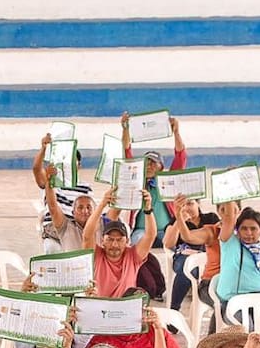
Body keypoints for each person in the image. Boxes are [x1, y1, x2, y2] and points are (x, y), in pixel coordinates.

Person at [119, 113, 187, 247]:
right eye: (146, 162)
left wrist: (176, 132)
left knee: (175, 244)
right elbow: (126, 151)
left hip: (165, 231)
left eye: (153, 163)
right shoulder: (135, 181)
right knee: (135, 246)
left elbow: (181, 156)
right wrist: (125, 129)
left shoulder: (168, 181)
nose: (149, 166)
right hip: (140, 232)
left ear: (161, 167)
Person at [214, 207, 260, 331]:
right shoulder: (230, 244)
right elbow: (229, 220)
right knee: (248, 328)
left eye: (253, 229)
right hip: (233, 303)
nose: (248, 233)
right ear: (237, 230)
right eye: (244, 229)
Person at [81, 187, 157, 297]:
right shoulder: (97, 255)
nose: (115, 244)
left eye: (120, 240)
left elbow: (150, 235)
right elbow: (87, 235)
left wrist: (148, 209)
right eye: (110, 239)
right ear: (102, 241)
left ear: (127, 241)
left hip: (125, 309)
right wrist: (102, 204)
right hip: (100, 307)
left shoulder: (133, 256)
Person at [162, 194, 221, 311]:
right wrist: (179, 221)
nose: (187, 208)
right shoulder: (175, 221)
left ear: (198, 204)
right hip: (183, 256)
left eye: (190, 203)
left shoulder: (210, 218)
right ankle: (174, 308)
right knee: (188, 268)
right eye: (183, 205)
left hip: (207, 257)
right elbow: (168, 244)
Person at [39, 163, 94, 253]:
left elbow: (90, 210)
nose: (68, 165)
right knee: (52, 249)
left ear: (79, 165)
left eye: (72, 162)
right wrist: (49, 181)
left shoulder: (86, 188)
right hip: (57, 228)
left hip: (77, 229)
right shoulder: (53, 184)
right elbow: (53, 207)